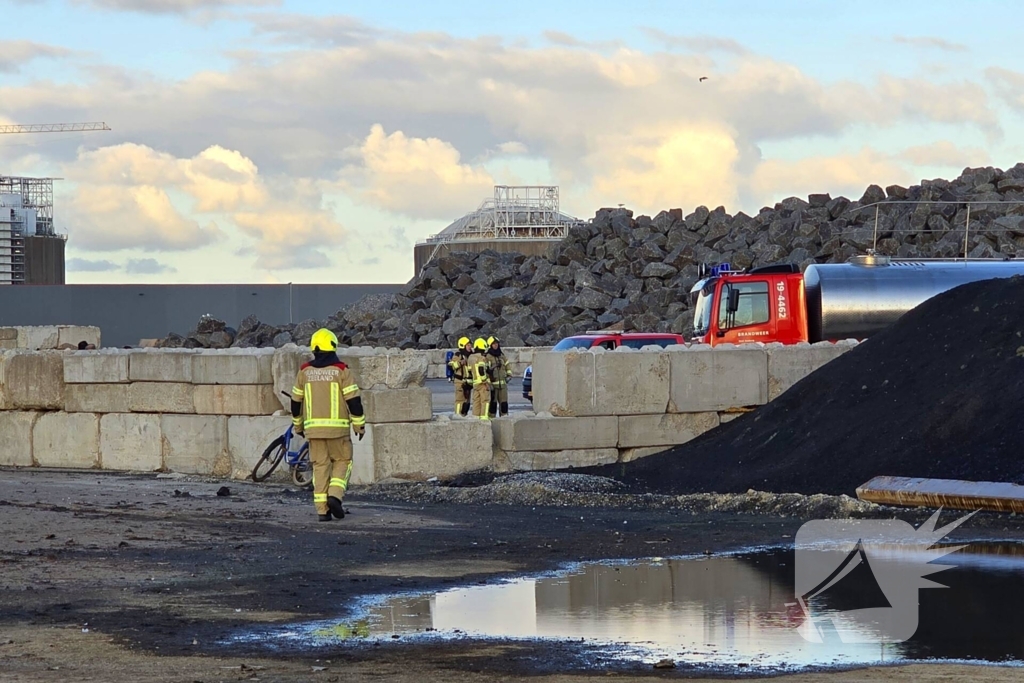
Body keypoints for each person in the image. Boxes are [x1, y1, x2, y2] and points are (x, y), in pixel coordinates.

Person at [290, 328, 365, 522]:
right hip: (338, 431)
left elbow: (295, 402)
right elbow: (353, 401)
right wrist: (359, 426)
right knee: (342, 462)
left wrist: (298, 426)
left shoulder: (304, 372)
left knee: (320, 467)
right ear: (333, 347)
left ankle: (322, 510)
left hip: (314, 431)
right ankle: (335, 496)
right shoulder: (341, 371)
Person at [447, 336, 473, 417]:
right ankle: (457, 416)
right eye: (468, 345)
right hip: (459, 381)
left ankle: (464, 415)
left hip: (468, 382)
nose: (470, 347)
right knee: (459, 400)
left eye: (470, 345)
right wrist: (460, 363)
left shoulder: (471, 356)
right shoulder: (458, 355)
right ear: (463, 346)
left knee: (467, 402)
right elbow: (451, 365)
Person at [468, 337, 493, 420]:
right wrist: (485, 380)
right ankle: (484, 419)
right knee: (485, 401)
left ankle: (475, 419)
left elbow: (469, 371)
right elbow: (481, 369)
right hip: (482, 384)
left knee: (476, 402)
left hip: (475, 384)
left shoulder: (470, 357)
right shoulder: (481, 358)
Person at [487, 336, 512, 418]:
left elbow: (507, 365)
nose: (495, 345)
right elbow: (486, 370)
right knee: (492, 405)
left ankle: (504, 419)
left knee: (504, 404)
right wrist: (489, 383)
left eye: (496, 343)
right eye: (493, 344)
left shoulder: (501, 355)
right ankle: (492, 420)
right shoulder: (488, 357)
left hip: (503, 385)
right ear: (490, 345)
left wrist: (509, 375)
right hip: (493, 386)